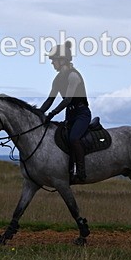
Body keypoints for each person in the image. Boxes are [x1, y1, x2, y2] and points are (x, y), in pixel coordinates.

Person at [39, 41, 91, 183]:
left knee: (74, 138)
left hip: (82, 114)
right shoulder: (57, 79)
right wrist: (39, 113)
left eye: (53, 60)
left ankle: (81, 172)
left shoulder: (73, 76)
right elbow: (50, 99)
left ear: (62, 60)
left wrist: (52, 113)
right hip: (70, 115)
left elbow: (68, 99)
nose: (52, 63)